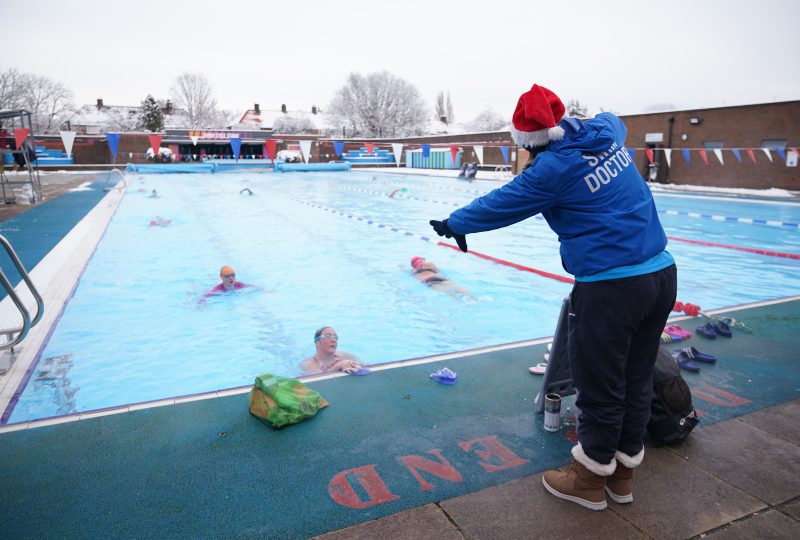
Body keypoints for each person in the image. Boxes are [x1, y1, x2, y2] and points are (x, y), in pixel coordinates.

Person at [429, 84, 677, 511]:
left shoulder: (551, 171)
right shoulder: (605, 133)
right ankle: (621, 476)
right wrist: (578, 124)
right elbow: (615, 118)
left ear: (528, 143)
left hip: (611, 288)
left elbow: (502, 202)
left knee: (599, 385)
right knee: (636, 380)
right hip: (661, 276)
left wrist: (456, 222)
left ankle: (587, 480)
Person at [300, 327, 364, 374]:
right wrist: (338, 366)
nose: (333, 340)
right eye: (327, 336)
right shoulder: (308, 365)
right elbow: (319, 383)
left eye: (335, 337)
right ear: (317, 343)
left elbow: (368, 366)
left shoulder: (345, 356)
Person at [410, 256, 475, 300]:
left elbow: (412, 275)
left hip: (428, 280)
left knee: (447, 292)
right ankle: (474, 299)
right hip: (440, 278)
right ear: (423, 260)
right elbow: (440, 272)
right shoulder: (431, 264)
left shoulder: (414, 270)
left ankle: (459, 302)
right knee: (457, 288)